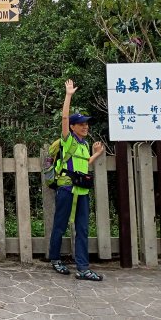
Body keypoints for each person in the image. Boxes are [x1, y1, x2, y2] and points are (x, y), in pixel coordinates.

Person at [48, 79, 105, 281]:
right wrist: (68, 95)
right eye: (81, 124)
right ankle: (55, 259)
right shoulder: (68, 139)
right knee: (60, 225)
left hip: (82, 190)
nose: (85, 126)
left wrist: (96, 154)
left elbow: (85, 162)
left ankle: (82, 267)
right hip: (66, 189)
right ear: (72, 127)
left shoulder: (84, 144)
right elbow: (64, 117)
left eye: (86, 124)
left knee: (82, 229)